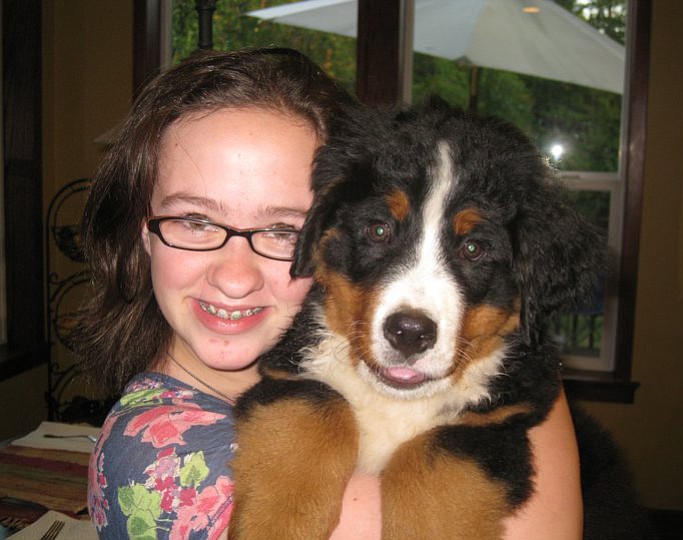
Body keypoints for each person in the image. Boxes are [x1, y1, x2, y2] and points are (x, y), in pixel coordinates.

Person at [76, 47, 581, 540]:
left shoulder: (294, 357)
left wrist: (518, 363)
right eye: (195, 220)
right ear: (144, 231)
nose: (234, 276)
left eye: (282, 229)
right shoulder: (158, 457)